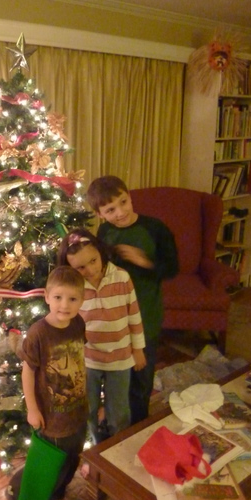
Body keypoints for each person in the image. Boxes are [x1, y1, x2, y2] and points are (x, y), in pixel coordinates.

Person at [86, 175, 178, 424]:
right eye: (110, 210)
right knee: (117, 375)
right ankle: (117, 421)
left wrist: (144, 261)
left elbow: (172, 268)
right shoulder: (104, 231)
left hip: (146, 314)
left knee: (141, 375)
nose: (120, 212)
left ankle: (139, 423)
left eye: (123, 202)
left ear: (129, 196)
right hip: (115, 316)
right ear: (100, 214)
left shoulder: (155, 228)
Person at [6, 266, 88, 500]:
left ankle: (58, 493)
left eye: (72, 299)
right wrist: (32, 409)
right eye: (58, 297)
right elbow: (28, 372)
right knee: (50, 464)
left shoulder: (78, 323)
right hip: (52, 417)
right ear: (47, 297)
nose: (65, 305)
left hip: (77, 411)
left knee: (72, 459)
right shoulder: (39, 333)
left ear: (82, 300)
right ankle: (24, 497)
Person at [58, 228, 146, 443]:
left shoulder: (122, 277)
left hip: (120, 358)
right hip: (88, 360)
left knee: (119, 411)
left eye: (93, 261)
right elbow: (68, 324)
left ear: (100, 252)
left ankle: (118, 444)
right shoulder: (73, 288)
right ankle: (97, 443)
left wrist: (138, 349)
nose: (90, 270)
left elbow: (134, 315)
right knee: (88, 408)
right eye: (80, 267)